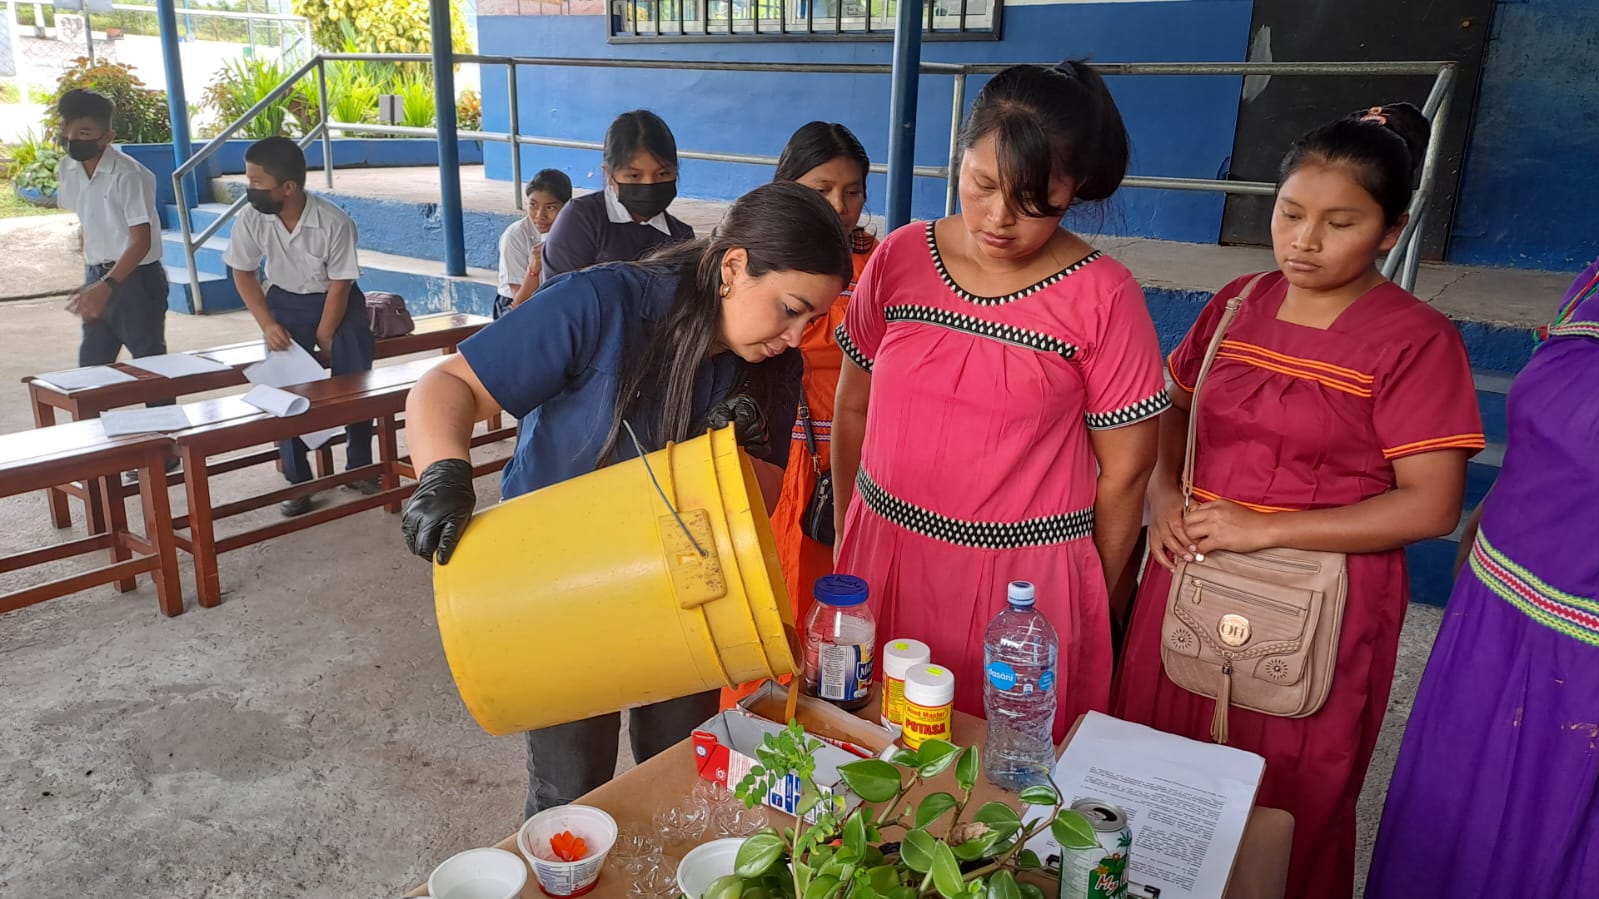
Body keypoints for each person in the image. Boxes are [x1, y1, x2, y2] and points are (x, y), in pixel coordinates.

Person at [1111, 104, 1483, 899]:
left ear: (1391, 230)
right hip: (1193, 561)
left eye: (1339, 222)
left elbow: (1429, 506)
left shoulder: (1413, 340)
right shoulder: (1239, 302)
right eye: (1289, 213)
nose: (1303, 241)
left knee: (1290, 785)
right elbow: (1174, 405)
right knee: (1160, 765)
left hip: (1322, 593)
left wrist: (1264, 526)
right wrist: (1164, 490)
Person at [399, 181, 853, 817]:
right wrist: (442, 472)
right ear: (732, 266)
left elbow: (765, 496)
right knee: (570, 790)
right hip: (559, 584)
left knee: (672, 778)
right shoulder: (602, 304)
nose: (797, 334)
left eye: (813, 320)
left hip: (689, 593)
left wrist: (727, 459)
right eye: (790, 308)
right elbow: (450, 384)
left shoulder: (772, 366)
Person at [831, 61, 1166, 743]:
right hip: (886, 560)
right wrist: (849, 538)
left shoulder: (1104, 296)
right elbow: (852, 408)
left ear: (1073, 187)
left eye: (1034, 198)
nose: (998, 217)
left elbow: (1126, 473)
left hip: (1024, 595)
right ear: (960, 156)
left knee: (999, 797)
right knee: (871, 767)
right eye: (981, 184)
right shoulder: (899, 258)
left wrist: (1085, 607)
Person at [1363, 257, 1599, 899]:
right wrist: (1482, 526)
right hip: (1492, 617)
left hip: (1584, 666)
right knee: (1449, 831)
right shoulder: (1589, 284)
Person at [718, 121, 878, 711]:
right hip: (774, 456)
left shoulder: (878, 267)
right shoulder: (762, 263)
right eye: (821, 187)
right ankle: (756, 724)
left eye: (853, 190)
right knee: (765, 601)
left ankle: (831, 724)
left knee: (835, 605)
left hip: (849, 465)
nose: (840, 205)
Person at [223, 137, 377, 517]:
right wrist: (267, 324)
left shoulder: (333, 222)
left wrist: (326, 336)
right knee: (286, 389)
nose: (250, 190)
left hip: (336, 304)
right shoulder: (253, 218)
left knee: (354, 382)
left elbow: (340, 286)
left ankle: (359, 467)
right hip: (285, 303)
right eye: (249, 180)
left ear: (288, 188)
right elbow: (242, 272)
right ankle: (299, 480)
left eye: (258, 183)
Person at [56, 89, 168, 372]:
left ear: (107, 137)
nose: (72, 138)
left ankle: (162, 417)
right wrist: (93, 276)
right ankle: (93, 418)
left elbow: (140, 242)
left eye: (83, 132)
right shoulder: (68, 168)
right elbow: (86, 222)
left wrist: (107, 286)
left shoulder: (128, 174)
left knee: (151, 367)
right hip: (98, 273)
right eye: (66, 129)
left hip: (136, 279)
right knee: (91, 370)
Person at [540, 110, 694, 283]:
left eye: (663, 173)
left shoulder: (681, 237)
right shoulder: (581, 220)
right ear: (609, 174)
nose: (649, 184)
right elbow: (560, 300)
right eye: (634, 176)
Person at [493, 168, 572, 320]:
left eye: (550, 207)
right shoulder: (515, 235)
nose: (539, 215)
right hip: (514, 307)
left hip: (555, 303)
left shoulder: (575, 231)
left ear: (566, 207)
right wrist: (534, 269)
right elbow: (519, 302)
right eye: (533, 205)